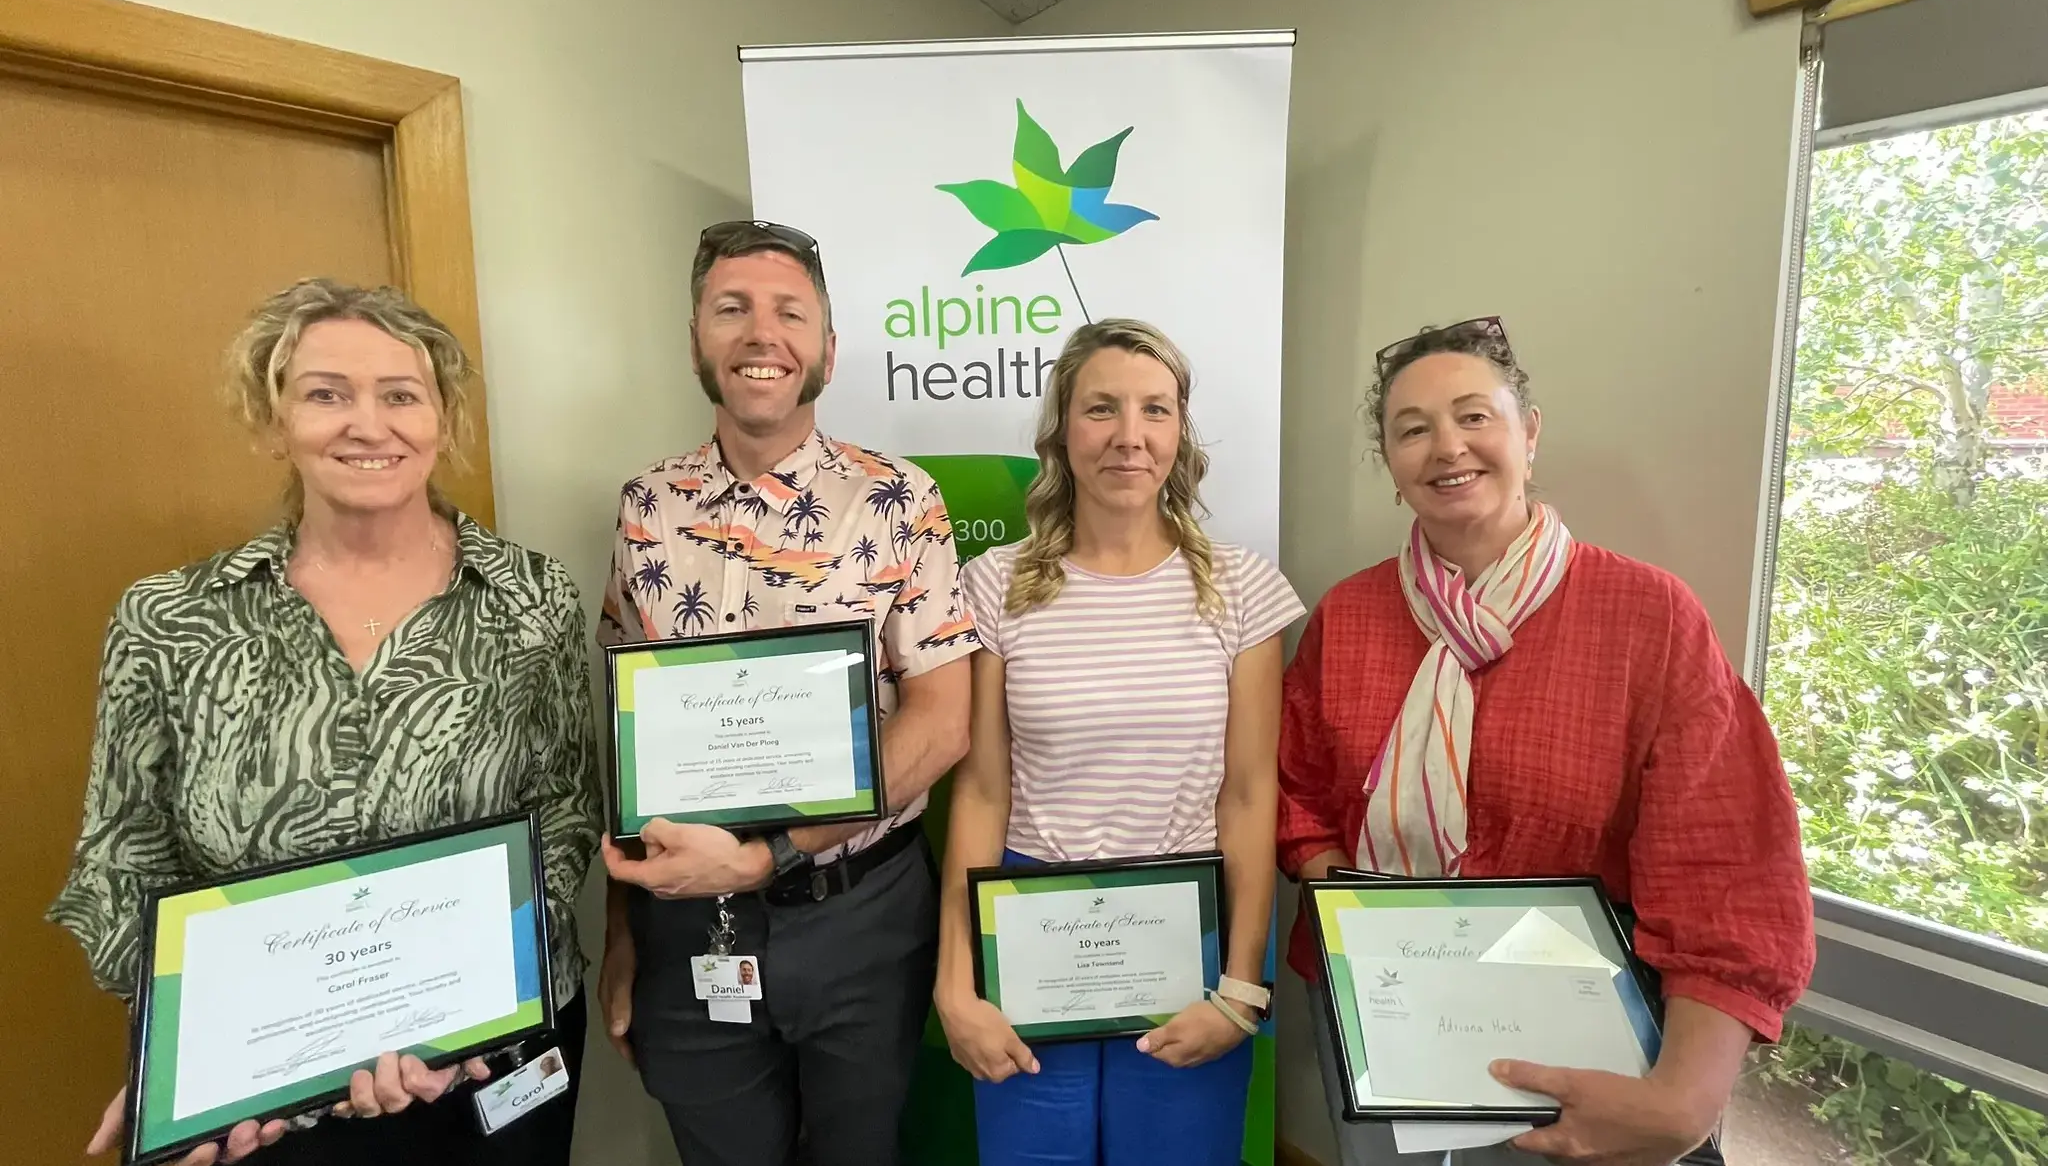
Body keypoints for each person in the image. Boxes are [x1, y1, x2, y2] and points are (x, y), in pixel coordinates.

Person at [50, 279, 602, 1166]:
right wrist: (190, 1057)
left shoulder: (532, 600)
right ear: (273, 422)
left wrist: (461, 1012)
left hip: (492, 1061)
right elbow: (123, 854)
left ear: (443, 420)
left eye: (400, 394)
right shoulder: (171, 622)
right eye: (325, 393)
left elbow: (566, 815)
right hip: (264, 1100)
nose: (367, 423)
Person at [1278, 317, 1815, 1165]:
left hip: (1581, 1038)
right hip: (1386, 1014)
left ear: (1528, 433)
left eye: (1473, 416)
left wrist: (1683, 1100)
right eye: (1411, 429)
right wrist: (1358, 905)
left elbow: (1728, 865)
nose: (1446, 446)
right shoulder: (1347, 618)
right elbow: (1296, 794)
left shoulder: (1647, 616)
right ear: (1390, 464)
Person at [596, 220, 977, 1166]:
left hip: (859, 914)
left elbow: (941, 721)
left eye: (788, 313)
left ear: (827, 350)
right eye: (732, 309)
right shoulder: (646, 507)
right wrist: (622, 931)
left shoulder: (900, 501)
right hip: (683, 919)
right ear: (696, 339)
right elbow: (620, 733)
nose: (760, 334)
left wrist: (765, 854)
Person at [937, 319, 1304, 1166]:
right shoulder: (996, 583)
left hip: (1189, 934)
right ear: (1063, 430)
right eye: (1101, 408)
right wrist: (955, 982)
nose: (1129, 436)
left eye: (1155, 409)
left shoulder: (1242, 586)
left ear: (1181, 431)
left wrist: (1242, 988)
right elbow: (983, 794)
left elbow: (1249, 798)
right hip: (1028, 930)